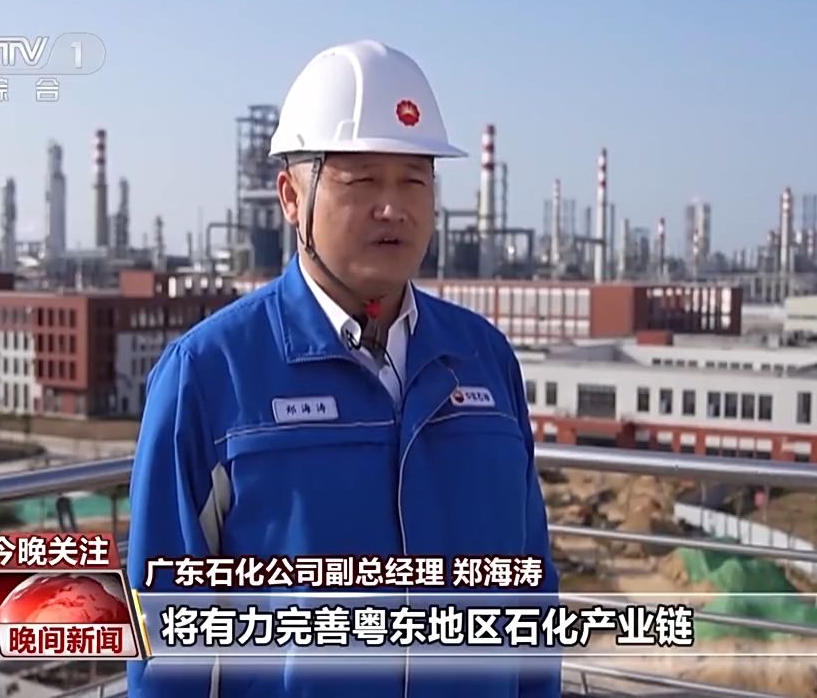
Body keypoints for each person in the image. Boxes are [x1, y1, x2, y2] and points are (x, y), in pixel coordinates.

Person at [127, 40, 560, 698]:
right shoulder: (211, 376)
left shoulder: (484, 359)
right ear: (290, 197)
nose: (394, 208)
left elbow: (531, 591)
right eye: (361, 181)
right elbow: (164, 643)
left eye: (414, 179)